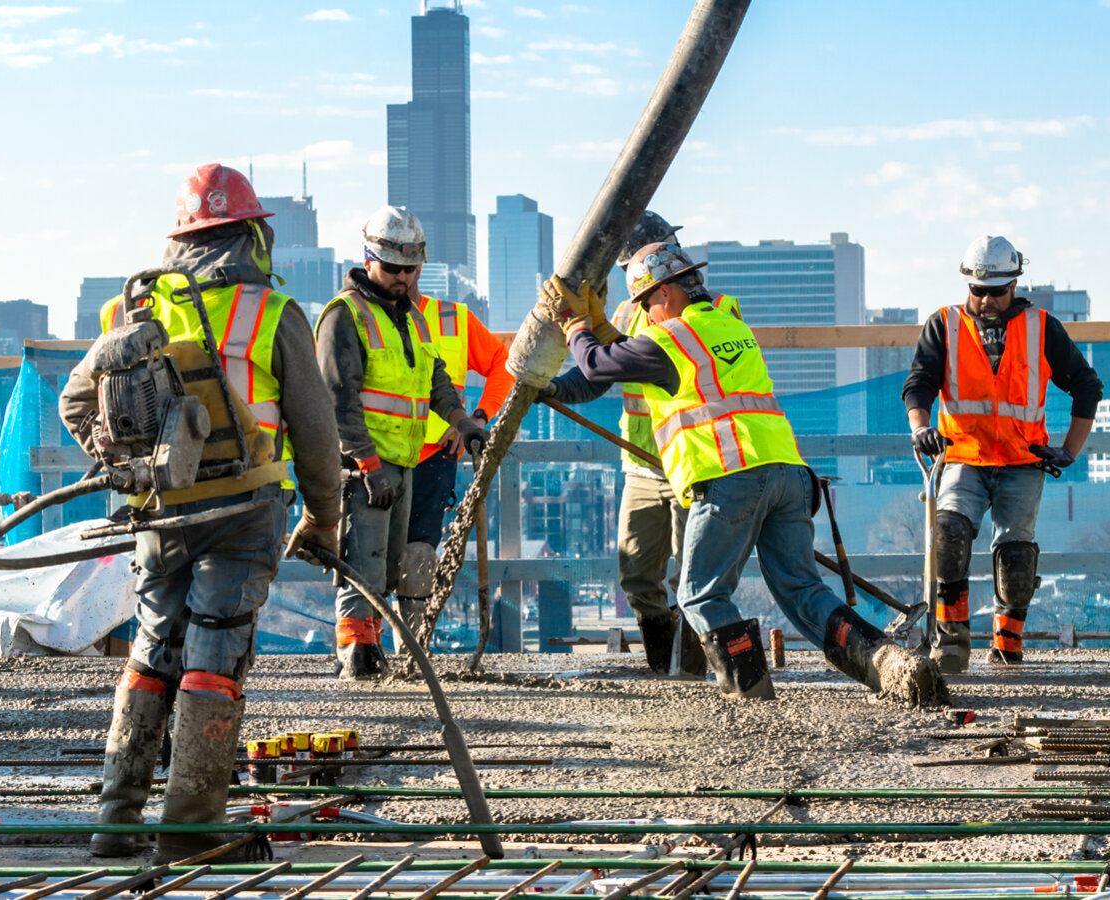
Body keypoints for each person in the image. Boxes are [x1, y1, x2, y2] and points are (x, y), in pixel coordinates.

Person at [61, 164, 342, 863]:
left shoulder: (132, 309)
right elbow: (315, 435)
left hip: (160, 512)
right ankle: (188, 829)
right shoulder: (272, 312)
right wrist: (325, 518)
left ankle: (117, 820)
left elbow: (76, 402)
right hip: (245, 507)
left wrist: (121, 464)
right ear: (251, 233)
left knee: (155, 647)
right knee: (216, 650)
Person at [542, 242, 944, 704]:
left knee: (699, 595)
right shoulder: (728, 326)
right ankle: (887, 664)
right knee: (802, 589)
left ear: (667, 295)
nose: (645, 315)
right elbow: (631, 356)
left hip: (732, 477)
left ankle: (750, 694)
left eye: (646, 303)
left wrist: (575, 325)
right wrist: (598, 326)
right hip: (790, 474)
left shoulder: (670, 338)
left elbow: (596, 364)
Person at [540, 211, 744, 677]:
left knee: (690, 577)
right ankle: (663, 666)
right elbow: (602, 370)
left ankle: (696, 671)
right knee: (637, 574)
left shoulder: (715, 311)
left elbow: (621, 356)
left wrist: (580, 328)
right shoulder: (629, 311)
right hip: (643, 466)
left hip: (692, 462)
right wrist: (557, 389)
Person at [904, 235, 1103, 671]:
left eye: (996, 290)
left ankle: (1007, 647)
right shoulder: (944, 325)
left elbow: (1087, 386)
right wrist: (921, 429)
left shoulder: (1042, 327)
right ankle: (952, 643)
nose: (986, 299)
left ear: (1014, 284)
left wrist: (1068, 450)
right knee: (950, 533)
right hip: (962, 456)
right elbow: (918, 385)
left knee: (1015, 556)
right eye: (978, 290)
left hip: (1021, 460)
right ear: (967, 285)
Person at [317, 206, 489, 679]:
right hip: (364, 464)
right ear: (369, 258)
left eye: (411, 268)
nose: (402, 276)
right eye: (393, 267)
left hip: (404, 461)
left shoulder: (408, 317)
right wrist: (368, 464)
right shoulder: (345, 316)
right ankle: (356, 660)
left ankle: (371, 656)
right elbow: (338, 399)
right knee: (363, 563)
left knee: (390, 567)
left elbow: (433, 376)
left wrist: (462, 419)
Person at [395, 284, 515, 627]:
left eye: (410, 263)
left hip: (433, 458)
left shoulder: (453, 318)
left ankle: (413, 647)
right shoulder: (358, 314)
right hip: (372, 459)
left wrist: (475, 419)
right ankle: (362, 650)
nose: (402, 273)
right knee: (369, 555)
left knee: (419, 554)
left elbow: (502, 363)